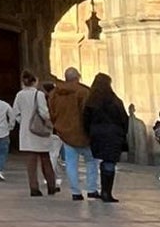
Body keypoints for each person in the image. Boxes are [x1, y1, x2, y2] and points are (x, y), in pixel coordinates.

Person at [48, 67, 98, 200]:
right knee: (91, 161)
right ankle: (92, 189)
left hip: (65, 133)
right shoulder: (84, 92)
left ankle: (75, 192)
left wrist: (58, 125)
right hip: (84, 133)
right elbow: (90, 112)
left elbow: (51, 112)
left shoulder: (55, 93)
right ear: (78, 77)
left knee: (71, 163)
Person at [12, 70, 59, 197]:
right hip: (39, 131)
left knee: (31, 162)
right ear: (35, 82)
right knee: (45, 159)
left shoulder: (19, 95)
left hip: (26, 132)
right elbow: (43, 112)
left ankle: (34, 188)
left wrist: (24, 122)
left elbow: (15, 112)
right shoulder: (38, 94)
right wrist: (49, 123)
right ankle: (51, 185)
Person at [83, 72, 129, 203]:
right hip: (113, 134)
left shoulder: (91, 101)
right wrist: (122, 133)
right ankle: (106, 192)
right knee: (109, 162)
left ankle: (104, 191)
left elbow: (85, 120)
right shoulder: (115, 101)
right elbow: (124, 119)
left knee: (104, 160)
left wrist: (90, 132)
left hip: (97, 134)